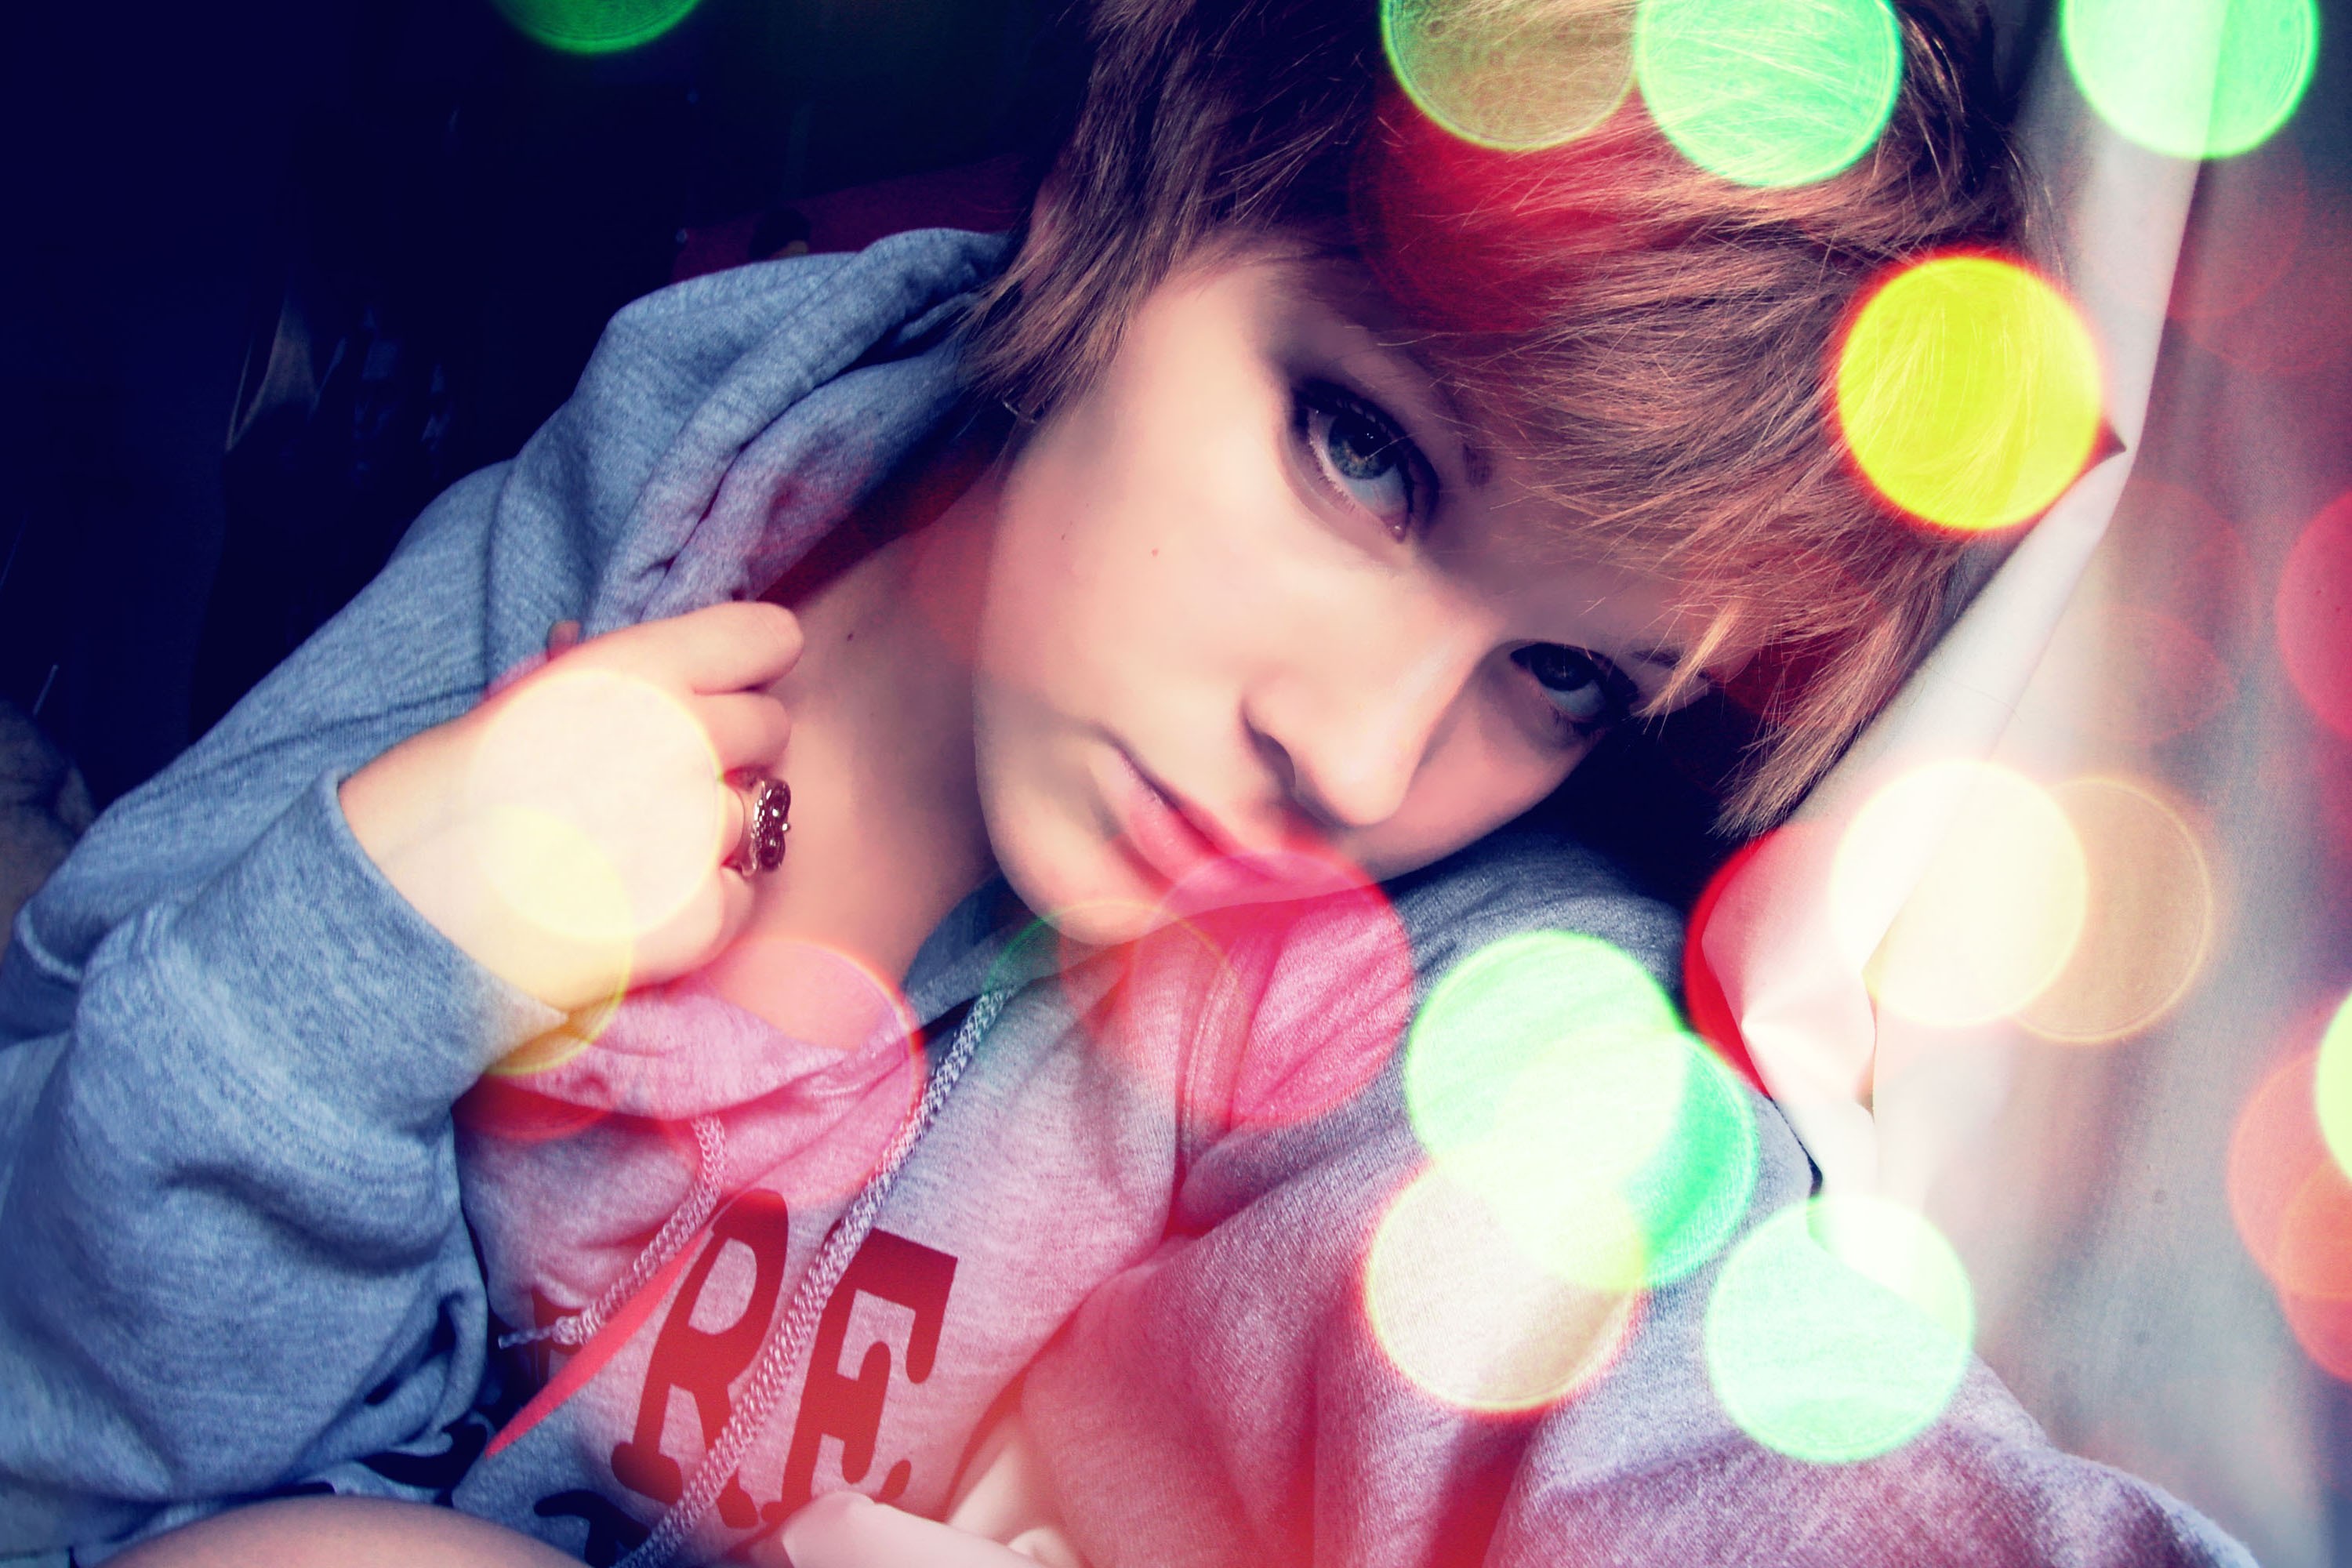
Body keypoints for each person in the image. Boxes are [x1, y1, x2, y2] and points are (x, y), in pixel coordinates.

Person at [0, 0, 2257, 1564]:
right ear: (1121, 192)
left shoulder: (1445, 997)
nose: (1359, 756)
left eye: (1562, 672)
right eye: (1363, 450)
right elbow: (45, 1422)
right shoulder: (668, 481)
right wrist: (351, 964)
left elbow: (1690, 1426)